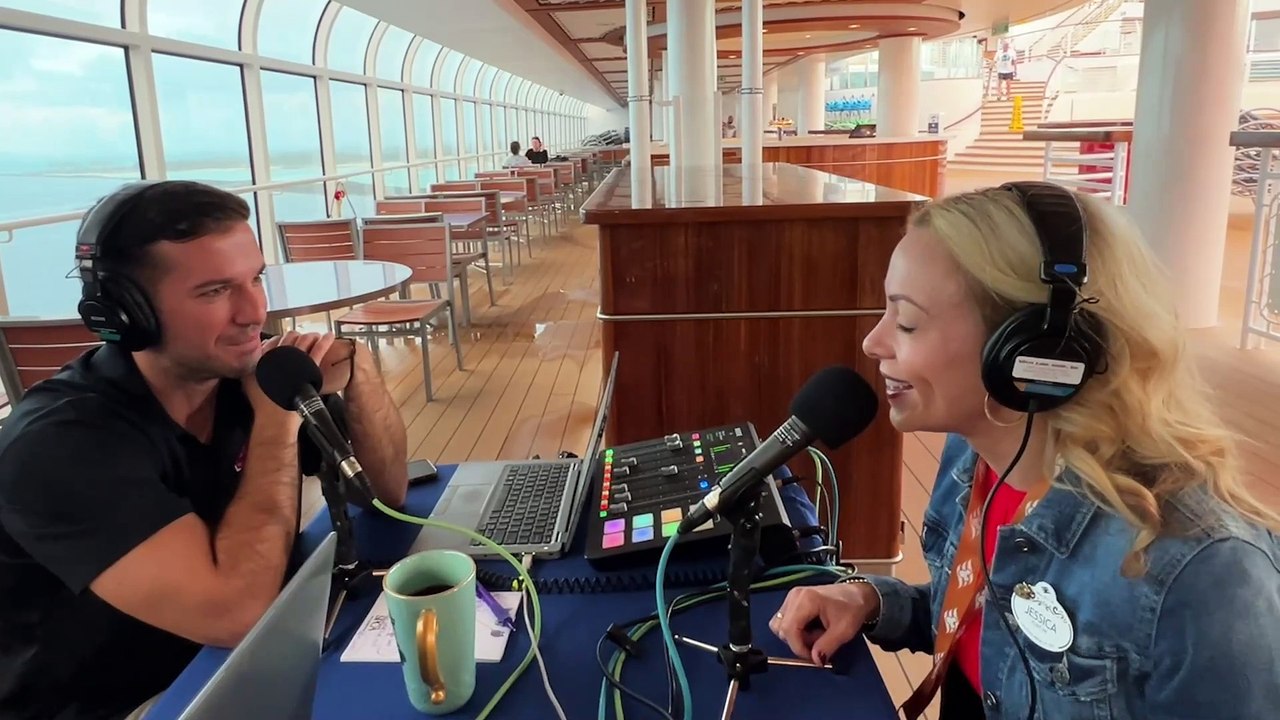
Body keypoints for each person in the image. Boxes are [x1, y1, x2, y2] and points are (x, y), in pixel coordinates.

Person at [769, 182, 1280, 718]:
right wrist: (872, 600)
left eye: (908, 321)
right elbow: (992, 619)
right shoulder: (974, 457)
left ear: (1029, 347)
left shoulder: (1206, 575)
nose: (874, 342)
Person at [0, 181, 410, 720]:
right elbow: (235, 613)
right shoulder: (58, 446)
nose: (253, 312)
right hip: (121, 705)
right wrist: (275, 423)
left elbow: (388, 490)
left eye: (256, 279)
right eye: (215, 291)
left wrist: (360, 373)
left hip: (236, 667)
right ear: (127, 312)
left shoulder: (236, 380)